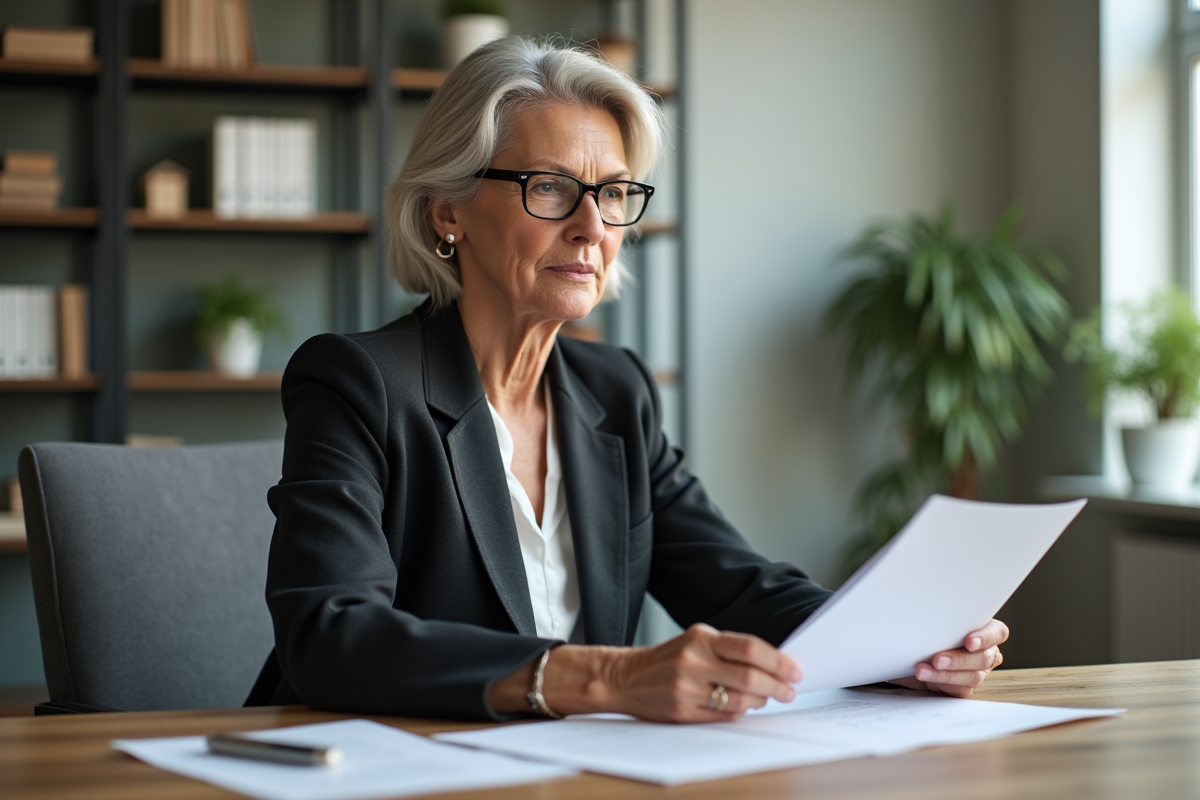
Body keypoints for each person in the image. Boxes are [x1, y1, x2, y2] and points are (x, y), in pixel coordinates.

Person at [247, 37, 1008, 722]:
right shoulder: (359, 383)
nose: (592, 227)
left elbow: (739, 588)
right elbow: (331, 633)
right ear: (449, 208)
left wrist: (900, 647)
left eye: (612, 194)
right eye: (549, 187)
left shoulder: (617, 393)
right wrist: (606, 678)